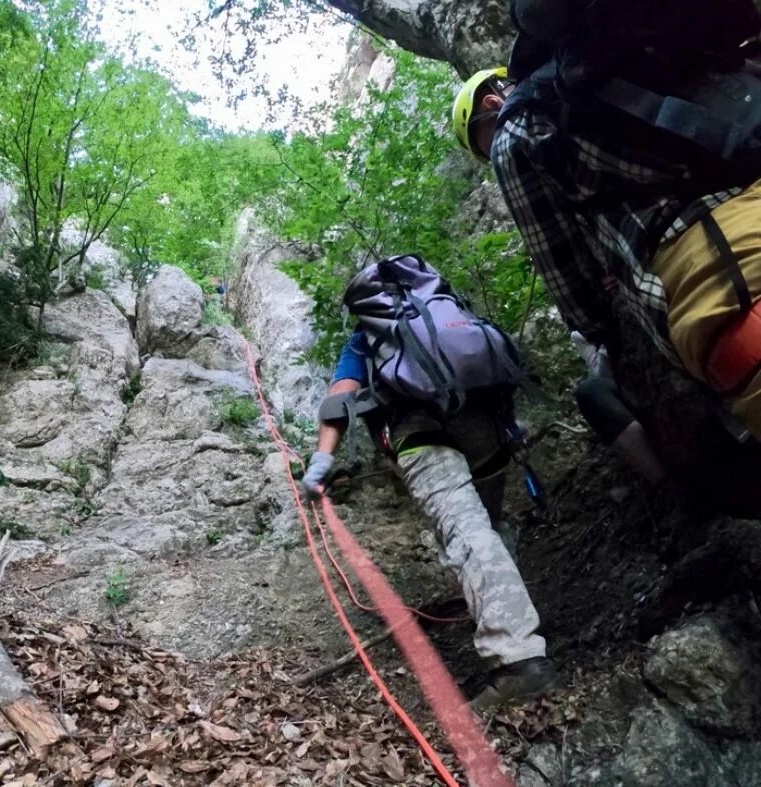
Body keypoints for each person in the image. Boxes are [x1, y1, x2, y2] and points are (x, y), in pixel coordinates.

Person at [451, 64, 761, 441]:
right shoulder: (597, 70)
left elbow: (572, 285)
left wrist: (603, 323)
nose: (491, 147)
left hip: (715, 270)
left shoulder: (513, 131)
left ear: (491, 101)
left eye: (484, 140)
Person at [300, 329, 559, 711]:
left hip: (420, 430)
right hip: (487, 423)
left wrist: (322, 461)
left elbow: (340, 400)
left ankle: (520, 661)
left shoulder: (367, 336)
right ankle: (517, 620)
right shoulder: (445, 316)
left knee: (465, 530)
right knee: (486, 526)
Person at [570, 331, 667, 485]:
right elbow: (602, 373)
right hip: (639, 393)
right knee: (589, 391)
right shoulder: (581, 335)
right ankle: (667, 482)